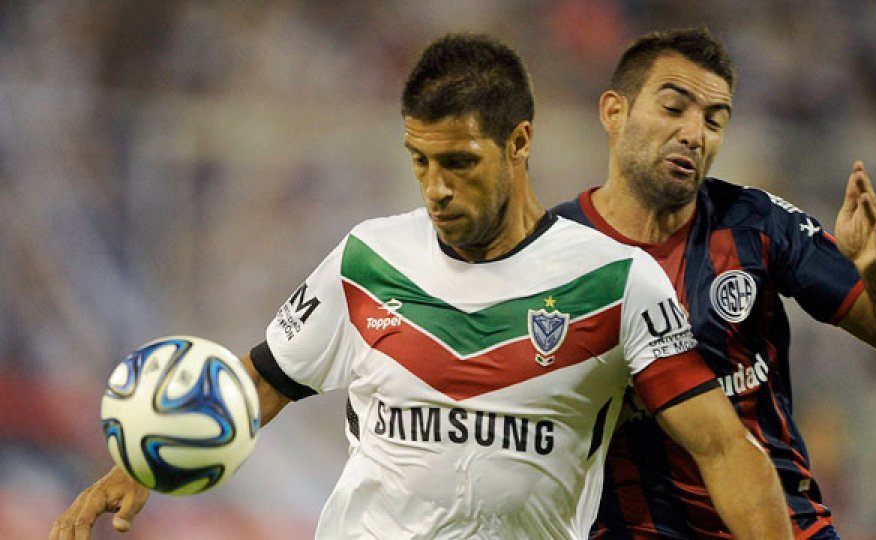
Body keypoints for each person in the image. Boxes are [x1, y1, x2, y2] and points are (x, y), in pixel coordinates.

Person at [50, 33, 792, 540]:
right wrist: (146, 461)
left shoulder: (614, 281)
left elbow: (725, 450)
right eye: (420, 162)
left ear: (519, 143)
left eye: (461, 163)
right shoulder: (366, 260)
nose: (436, 189)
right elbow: (263, 381)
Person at [552, 26, 876, 540]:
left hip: (784, 524)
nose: (695, 133)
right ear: (614, 112)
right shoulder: (554, 249)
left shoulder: (756, 223)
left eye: (714, 121)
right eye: (674, 109)